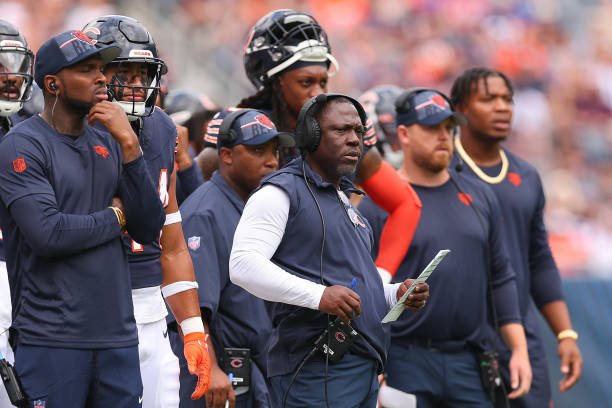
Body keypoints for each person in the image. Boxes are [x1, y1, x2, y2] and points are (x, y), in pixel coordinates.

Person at [229, 93, 429, 408]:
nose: (354, 141)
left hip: (359, 366)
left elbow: (352, 288)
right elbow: (242, 265)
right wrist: (319, 296)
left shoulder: (345, 202)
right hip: (316, 366)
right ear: (310, 135)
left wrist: (395, 295)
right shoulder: (280, 192)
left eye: (359, 132)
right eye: (341, 130)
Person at [0, 29, 165, 406]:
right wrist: (114, 218)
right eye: (87, 69)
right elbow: (49, 233)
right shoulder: (21, 145)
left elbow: (148, 226)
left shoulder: (110, 138)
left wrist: (130, 145)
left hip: (117, 338)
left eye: (101, 68)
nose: (102, 78)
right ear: (53, 83)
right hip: (50, 339)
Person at [202, 9, 421, 282]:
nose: (318, 93)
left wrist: (380, 276)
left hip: (326, 296)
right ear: (276, 81)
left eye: (323, 82)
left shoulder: (341, 127)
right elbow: (197, 206)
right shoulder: (239, 129)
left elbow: (406, 204)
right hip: (248, 289)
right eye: (306, 82)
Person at [358, 88, 532, 407]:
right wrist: (374, 362)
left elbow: (501, 278)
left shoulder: (480, 196)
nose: (443, 136)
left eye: (449, 128)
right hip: (402, 360)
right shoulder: (376, 204)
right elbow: (364, 291)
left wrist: (519, 350)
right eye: (432, 128)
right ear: (403, 134)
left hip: (468, 358)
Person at [83, 15, 211, 405]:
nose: (137, 86)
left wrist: (191, 329)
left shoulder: (163, 130)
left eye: (144, 74)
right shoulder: (70, 129)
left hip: (149, 308)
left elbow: (171, 242)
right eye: (125, 73)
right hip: (82, 308)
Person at [450, 68, 583, 407]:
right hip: (455, 342)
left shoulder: (526, 175)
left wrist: (565, 334)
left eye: (508, 100)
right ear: (460, 109)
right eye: (488, 99)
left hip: (521, 336)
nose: (503, 108)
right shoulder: (441, 171)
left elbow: (539, 258)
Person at [172, 108, 294, 408]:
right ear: (226, 155)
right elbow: (192, 307)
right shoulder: (205, 213)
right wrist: (209, 369)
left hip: (254, 366)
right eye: (257, 150)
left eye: (274, 151)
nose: (271, 161)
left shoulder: (254, 205)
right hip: (220, 369)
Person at [0, 18, 34, 408]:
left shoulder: (26, 129)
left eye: (14, 64)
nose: (11, 76)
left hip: (23, 270)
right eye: (1, 65)